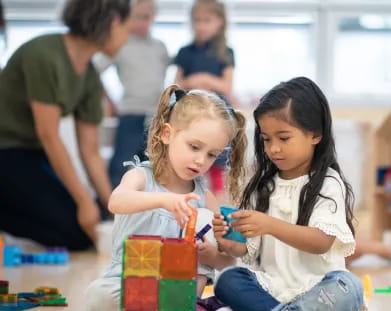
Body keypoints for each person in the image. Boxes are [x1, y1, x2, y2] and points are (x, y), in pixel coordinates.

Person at [208, 77, 367, 311]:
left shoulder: (328, 183)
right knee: (228, 279)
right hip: (272, 288)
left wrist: (269, 224)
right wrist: (227, 242)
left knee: (349, 287)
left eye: (283, 138)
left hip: (318, 290)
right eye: (266, 139)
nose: (273, 149)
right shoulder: (262, 187)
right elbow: (245, 250)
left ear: (315, 135)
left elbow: (321, 242)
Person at [85, 84, 247, 311]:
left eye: (212, 154)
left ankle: (173, 309)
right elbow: (116, 202)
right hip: (129, 282)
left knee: (203, 215)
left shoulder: (203, 197)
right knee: (96, 296)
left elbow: (228, 262)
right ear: (167, 134)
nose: (201, 160)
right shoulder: (140, 176)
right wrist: (165, 200)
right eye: (194, 147)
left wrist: (211, 255)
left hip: (179, 288)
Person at [0, 0, 131, 250]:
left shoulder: (91, 76)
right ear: (114, 22)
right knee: (77, 229)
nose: (127, 37)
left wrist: (113, 207)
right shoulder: (43, 54)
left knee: (94, 221)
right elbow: (48, 135)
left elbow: (90, 152)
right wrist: (83, 202)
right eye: (127, 27)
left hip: (33, 154)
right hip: (6, 152)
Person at [95, 0, 170, 189]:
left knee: (154, 165)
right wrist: (109, 101)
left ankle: (148, 208)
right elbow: (94, 70)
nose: (141, 23)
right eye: (136, 17)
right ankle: (110, 207)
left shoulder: (160, 47)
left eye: (146, 17)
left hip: (156, 116)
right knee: (122, 162)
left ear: (153, 17)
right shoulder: (120, 43)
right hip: (130, 113)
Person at [174, 0, 234, 198]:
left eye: (207, 20)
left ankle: (215, 204)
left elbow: (226, 86)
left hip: (216, 115)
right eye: (197, 20)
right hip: (192, 115)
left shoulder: (225, 52)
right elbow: (177, 84)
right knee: (191, 155)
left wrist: (205, 79)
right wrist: (192, 82)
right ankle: (188, 198)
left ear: (220, 22)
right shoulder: (185, 52)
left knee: (215, 159)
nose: (201, 26)